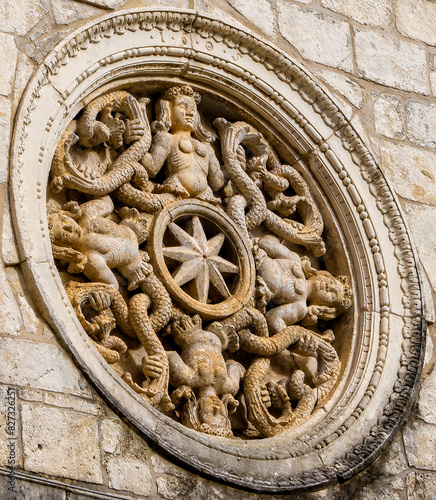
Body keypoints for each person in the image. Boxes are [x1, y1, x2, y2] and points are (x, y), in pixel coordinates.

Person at [140, 85, 226, 204]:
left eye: (193, 109)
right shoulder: (167, 138)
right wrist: (135, 142)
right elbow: (152, 168)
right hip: (176, 190)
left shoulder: (207, 148)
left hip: (206, 195)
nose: (190, 113)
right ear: (168, 111)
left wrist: (231, 164)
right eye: (182, 107)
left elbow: (217, 182)